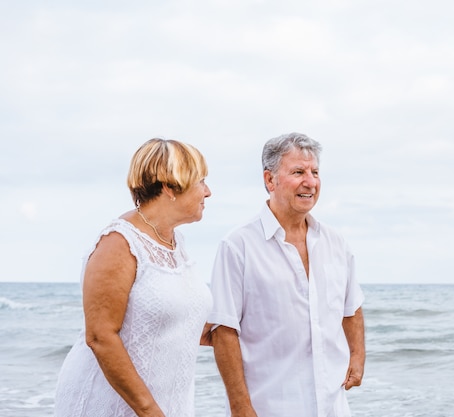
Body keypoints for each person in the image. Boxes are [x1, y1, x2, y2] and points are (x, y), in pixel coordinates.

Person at [208, 132, 365, 417]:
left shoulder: (336, 243)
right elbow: (224, 331)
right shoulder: (237, 245)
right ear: (270, 180)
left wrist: (357, 355)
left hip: (333, 406)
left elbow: (350, 306)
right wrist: (240, 406)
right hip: (270, 406)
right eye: (298, 172)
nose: (310, 182)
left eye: (315, 172)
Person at [55, 138, 214, 417]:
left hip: (167, 404)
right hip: (114, 406)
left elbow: (177, 323)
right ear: (169, 186)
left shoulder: (176, 245)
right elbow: (100, 336)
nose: (208, 191)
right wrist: (150, 411)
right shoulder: (120, 243)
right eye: (200, 181)